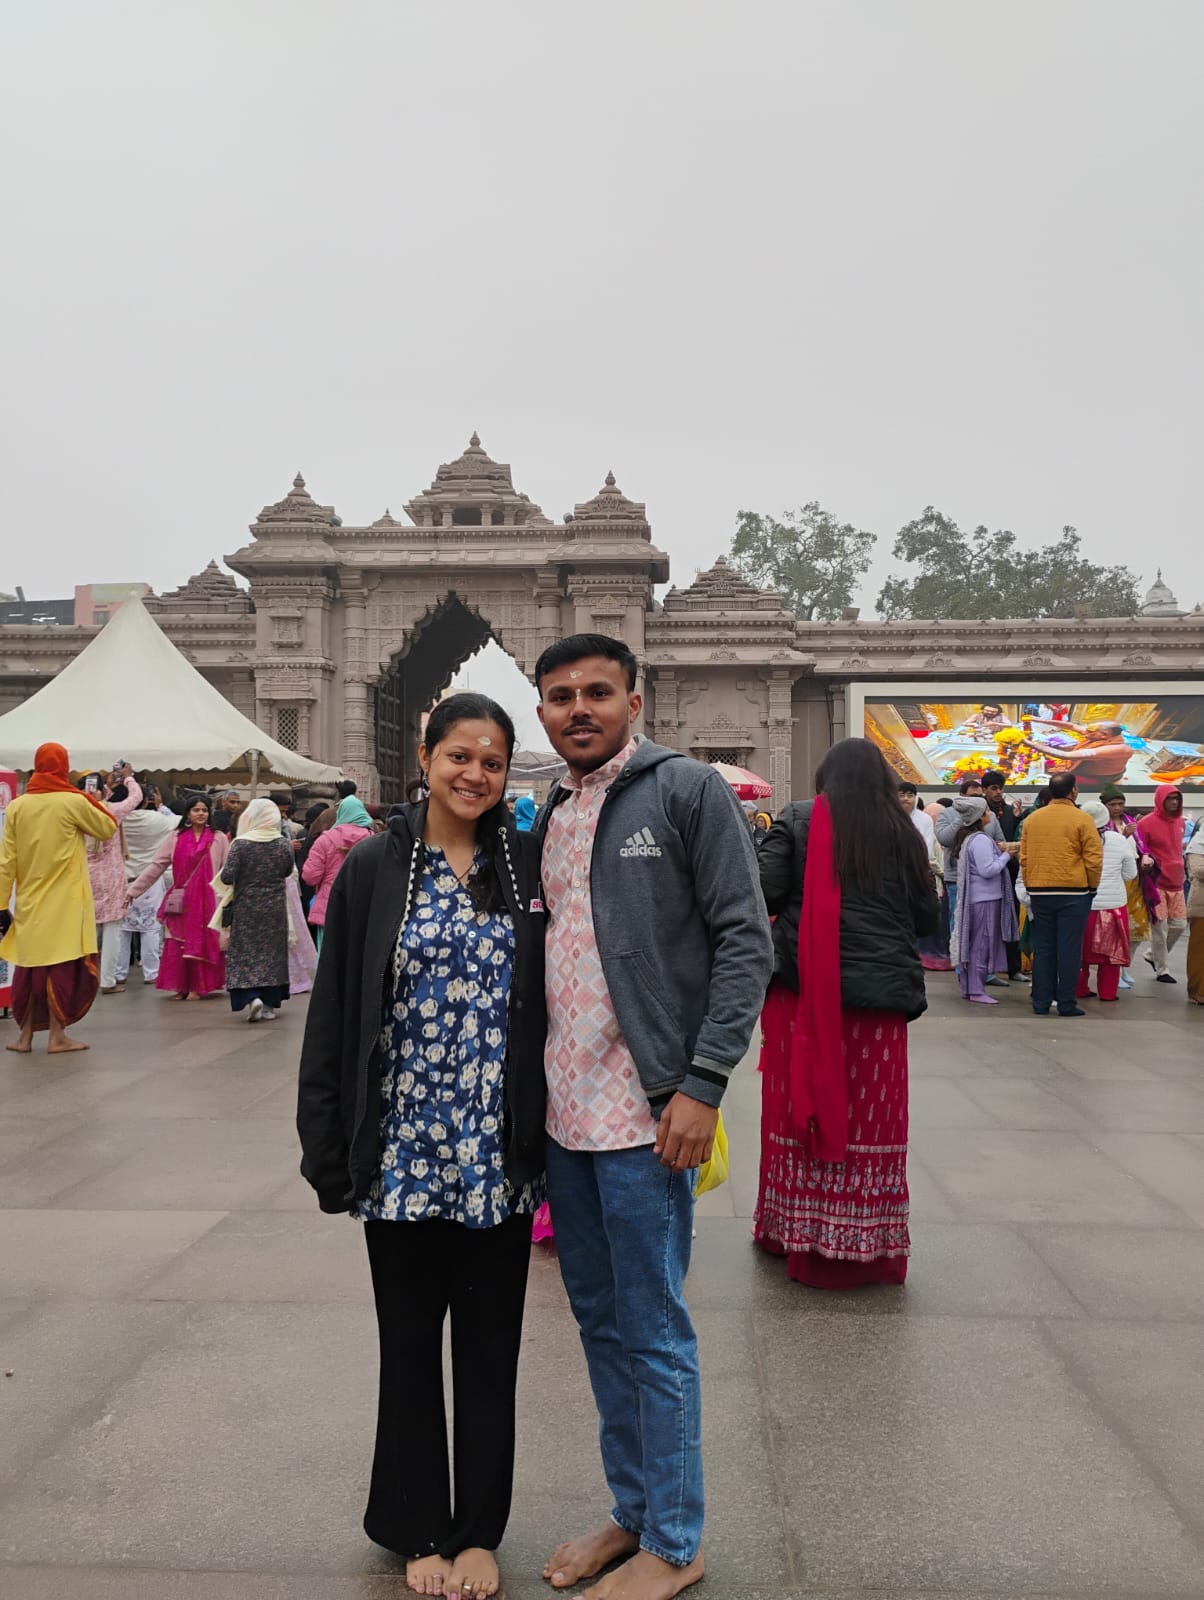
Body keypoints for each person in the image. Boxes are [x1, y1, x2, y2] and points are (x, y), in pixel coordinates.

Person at [532, 633, 772, 1599]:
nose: (578, 709)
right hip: (563, 1117)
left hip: (648, 1113)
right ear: (542, 710)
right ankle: (632, 1513)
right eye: (559, 696)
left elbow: (745, 942)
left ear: (637, 697)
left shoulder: (684, 793)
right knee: (598, 1322)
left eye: (597, 691)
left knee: (656, 1328)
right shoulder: (550, 809)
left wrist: (704, 1082)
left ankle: (678, 1540)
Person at [298, 692, 547, 1600]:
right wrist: (325, 1141)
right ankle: (412, 1525)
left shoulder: (527, 864)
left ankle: (479, 1529)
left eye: (492, 761)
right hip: (400, 1154)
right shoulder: (372, 869)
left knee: (490, 1348)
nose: (475, 774)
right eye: (460, 756)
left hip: (497, 1159)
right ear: (426, 756)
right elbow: (335, 1013)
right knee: (408, 1349)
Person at [756, 738, 939, 1283]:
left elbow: (760, 893)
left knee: (798, 1107)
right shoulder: (902, 830)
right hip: (879, 1005)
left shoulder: (797, 819)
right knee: (872, 1119)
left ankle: (792, 1230)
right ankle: (865, 1242)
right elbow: (928, 918)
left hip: (804, 997)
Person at [0, 742, 118, 1053]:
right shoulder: (72, 802)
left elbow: (6, 860)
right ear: (64, 768)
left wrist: (0, 904)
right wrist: (87, 797)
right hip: (66, 902)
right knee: (61, 969)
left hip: (29, 901)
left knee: (28, 968)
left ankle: (24, 1038)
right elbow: (107, 827)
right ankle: (57, 1037)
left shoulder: (17, 806)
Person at [127, 795, 229, 999]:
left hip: (209, 899)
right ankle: (181, 986)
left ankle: (197, 987)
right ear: (188, 814)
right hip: (181, 898)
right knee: (177, 940)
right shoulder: (175, 837)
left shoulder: (218, 838)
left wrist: (229, 899)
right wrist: (133, 891)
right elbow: (157, 866)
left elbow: (226, 870)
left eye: (204, 810)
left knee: (201, 940)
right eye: (196, 810)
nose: (201, 814)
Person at [1018, 773, 1102, 1017]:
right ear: (1073, 791)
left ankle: (1040, 1003)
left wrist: (1031, 884)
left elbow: (1024, 857)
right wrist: (1092, 887)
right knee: (1069, 949)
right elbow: (1093, 859)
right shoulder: (1082, 819)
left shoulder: (1033, 819)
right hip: (1074, 892)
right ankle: (1066, 1003)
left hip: (1040, 891)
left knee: (1043, 948)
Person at [217, 798, 295, 1022]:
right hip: (275, 909)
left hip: (246, 907)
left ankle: (252, 997)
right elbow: (288, 871)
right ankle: (270, 1004)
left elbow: (227, 876)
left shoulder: (240, 844)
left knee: (245, 953)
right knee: (273, 954)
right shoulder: (282, 844)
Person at [949, 794, 1018, 1005]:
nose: (989, 814)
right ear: (979, 816)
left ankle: (970, 988)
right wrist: (1008, 855)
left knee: (975, 945)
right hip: (985, 901)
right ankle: (977, 989)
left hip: (979, 899)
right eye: (986, 811)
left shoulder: (974, 838)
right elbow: (988, 870)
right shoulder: (979, 840)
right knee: (982, 945)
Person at [86, 768, 144, 995]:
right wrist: (128, 777)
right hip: (111, 875)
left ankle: (85, 978)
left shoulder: (78, 810)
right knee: (112, 928)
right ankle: (107, 980)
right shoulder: (113, 811)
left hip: (86, 874)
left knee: (87, 930)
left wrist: (106, 786)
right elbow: (136, 797)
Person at [114, 786, 178, 987]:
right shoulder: (157, 819)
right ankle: (151, 973)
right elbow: (179, 821)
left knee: (121, 930)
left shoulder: (117, 819)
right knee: (150, 929)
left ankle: (119, 973)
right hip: (149, 879)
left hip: (122, 878)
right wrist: (160, 806)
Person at [1075, 800, 1137, 1002]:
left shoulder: (1074, 838)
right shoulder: (1119, 839)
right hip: (1113, 907)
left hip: (1081, 904)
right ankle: (1108, 992)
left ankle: (1079, 989)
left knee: (1078, 952)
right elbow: (1130, 874)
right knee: (1111, 954)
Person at [935, 779, 1006, 950]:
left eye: (979, 797)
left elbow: (1000, 842)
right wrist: (964, 816)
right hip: (957, 878)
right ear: (961, 797)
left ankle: (984, 971)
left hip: (984, 880)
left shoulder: (990, 816)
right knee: (958, 922)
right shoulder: (948, 814)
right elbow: (944, 838)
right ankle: (961, 966)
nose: (976, 801)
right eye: (971, 797)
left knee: (983, 926)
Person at [302, 793, 374, 951]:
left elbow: (310, 876)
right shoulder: (373, 839)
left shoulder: (325, 840)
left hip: (329, 906)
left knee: (328, 957)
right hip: (363, 906)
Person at [1099, 784, 1150, 989]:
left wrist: (1147, 857)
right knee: (1114, 929)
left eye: (1121, 804)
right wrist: (1125, 836)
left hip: (1134, 881)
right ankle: (1114, 969)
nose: (1118, 808)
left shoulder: (1129, 821)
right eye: (1113, 804)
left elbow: (1142, 846)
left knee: (1137, 928)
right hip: (1113, 883)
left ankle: (1124, 966)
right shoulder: (1100, 827)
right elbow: (1106, 851)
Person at [899, 781, 951, 972]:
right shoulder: (889, 816)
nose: (906, 799)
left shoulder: (924, 819)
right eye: (902, 794)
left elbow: (927, 849)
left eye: (910, 795)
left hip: (918, 874)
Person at [1139, 784, 1188, 982]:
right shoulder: (1146, 823)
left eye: (1177, 798)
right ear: (1161, 799)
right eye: (1170, 798)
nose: (1174, 802)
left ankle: (1152, 955)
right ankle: (1163, 970)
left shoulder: (1180, 823)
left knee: (1179, 925)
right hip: (1156, 882)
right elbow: (1141, 850)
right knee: (1160, 928)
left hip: (1177, 882)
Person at [1023, 721, 1131, 789]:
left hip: (1099, 778)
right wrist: (1035, 719)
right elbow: (1071, 725)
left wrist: (1028, 743)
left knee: (1057, 782)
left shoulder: (1116, 749)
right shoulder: (1100, 734)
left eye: (1090, 732)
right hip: (1088, 769)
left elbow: (1066, 755)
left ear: (1104, 735)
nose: (1085, 733)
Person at [1186, 825, 1204, 1005]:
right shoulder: (1197, 845)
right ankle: (1198, 991)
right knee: (1200, 951)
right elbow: (1199, 871)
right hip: (1201, 906)